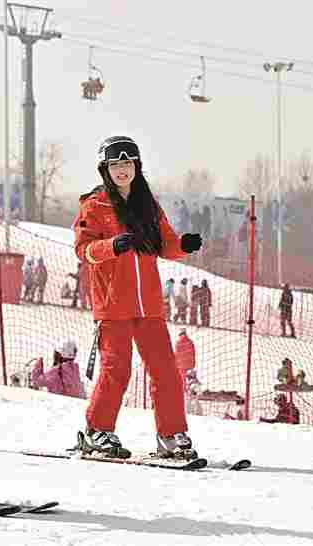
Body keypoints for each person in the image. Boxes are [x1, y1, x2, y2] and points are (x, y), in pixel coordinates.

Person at [73, 135, 203, 459]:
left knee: (166, 370)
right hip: (113, 304)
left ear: (137, 167)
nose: (122, 170)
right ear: (105, 168)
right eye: (115, 164)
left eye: (127, 163)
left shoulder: (148, 204)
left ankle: (171, 435)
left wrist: (182, 246)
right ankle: (97, 432)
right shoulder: (95, 204)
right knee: (117, 369)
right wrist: (111, 246)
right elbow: (83, 250)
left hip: (149, 306)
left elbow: (165, 243)